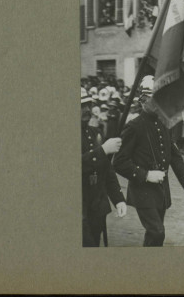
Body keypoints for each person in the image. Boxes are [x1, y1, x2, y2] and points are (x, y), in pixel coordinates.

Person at [114, 76, 184, 246]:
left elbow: (175, 156)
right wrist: (145, 175)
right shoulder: (134, 126)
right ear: (143, 100)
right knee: (157, 232)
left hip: (161, 190)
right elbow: (119, 162)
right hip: (142, 190)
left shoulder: (164, 124)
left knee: (155, 238)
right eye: (151, 100)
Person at [81, 88, 126, 247]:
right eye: (81, 106)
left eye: (88, 104)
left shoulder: (95, 133)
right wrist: (103, 151)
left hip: (97, 203)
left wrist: (118, 198)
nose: (86, 109)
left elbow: (107, 170)